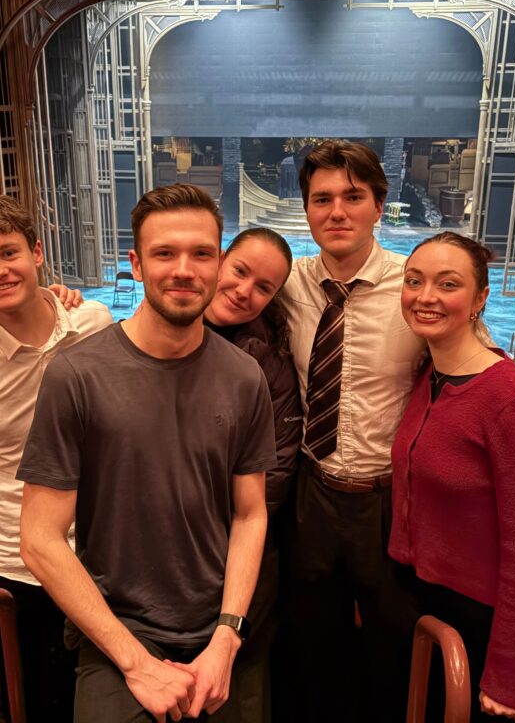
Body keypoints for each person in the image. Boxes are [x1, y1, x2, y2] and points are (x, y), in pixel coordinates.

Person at [274, 140, 515, 722]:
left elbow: (474, 360)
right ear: (306, 207)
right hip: (311, 494)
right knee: (310, 654)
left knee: (391, 665)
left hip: (389, 505)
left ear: (378, 205)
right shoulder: (288, 283)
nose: (337, 211)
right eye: (321, 198)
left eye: (353, 197)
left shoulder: (412, 285)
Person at [16, 184, 276, 723]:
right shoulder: (77, 376)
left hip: (220, 628)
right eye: (164, 253)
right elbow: (40, 539)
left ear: (218, 263)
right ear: (136, 264)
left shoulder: (244, 376)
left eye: (200, 254)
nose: (183, 270)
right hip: (118, 631)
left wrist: (228, 636)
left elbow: (250, 514)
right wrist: (136, 663)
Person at [0, 194, 111, 721]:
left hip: (102, 550)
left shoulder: (94, 323)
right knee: (31, 700)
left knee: (109, 693)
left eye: (9, 252)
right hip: (13, 562)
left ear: (37, 253)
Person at [388, 231, 515, 722]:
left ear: (480, 298)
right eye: (414, 281)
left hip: (481, 625)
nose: (425, 296)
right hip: (421, 603)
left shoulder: (511, 400)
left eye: (448, 284)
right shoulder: (430, 375)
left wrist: (507, 674)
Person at [203, 228, 302, 723]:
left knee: (238, 684)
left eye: (263, 287)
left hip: (241, 547)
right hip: (161, 555)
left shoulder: (270, 362)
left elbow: (277, 468)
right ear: (220, 260)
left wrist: (217, 530)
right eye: (239, 271)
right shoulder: (159, 331)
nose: (244, 291)